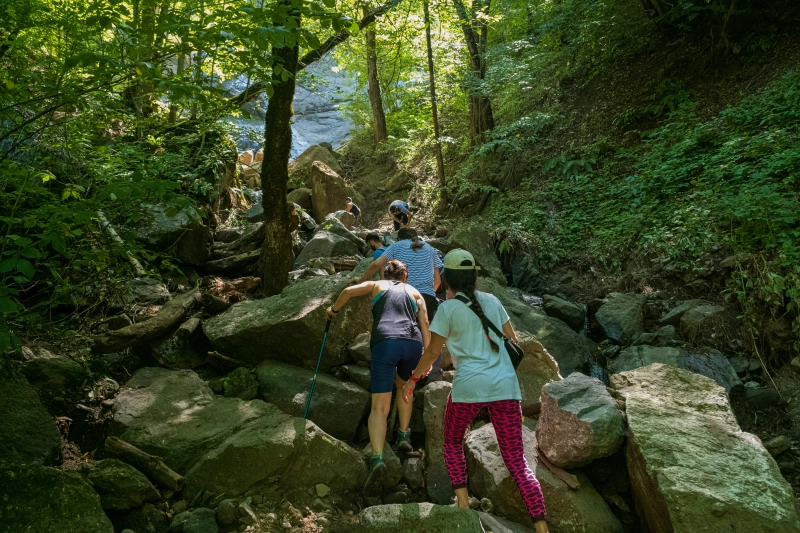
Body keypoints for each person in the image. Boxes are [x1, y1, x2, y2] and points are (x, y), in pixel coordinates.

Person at [401, 249, 549, 533]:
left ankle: (464, 508)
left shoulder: (447, 308)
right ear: (474, 277)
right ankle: (542, 528)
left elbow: (433, 351)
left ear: (446, 280)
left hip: (468, 388)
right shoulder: (492, 300)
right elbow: (512, 339)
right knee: (517, 463)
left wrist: (412, 380)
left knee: (452, 441)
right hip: (505, 387)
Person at [326, 260, 429, 492]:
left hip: (386, 342)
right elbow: (425, 323)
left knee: (379, 406)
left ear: (385, 274)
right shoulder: (414, 292)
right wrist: (427, 356)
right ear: (405, 276)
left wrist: (333, 310)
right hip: (412, 344)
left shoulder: (377, 285)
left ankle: (378, 457)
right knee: (406, 389)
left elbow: (348, 291)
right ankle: (404, 435)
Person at [359, 227, 443, 381]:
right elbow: (437, 281)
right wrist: (426, 295)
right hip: (428, 298)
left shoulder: (397, 246)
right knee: (430, 336)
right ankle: (434, 379)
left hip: (404, 295)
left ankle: (405, 376)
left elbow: (376, 265)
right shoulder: (430, 248)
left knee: (407, 333)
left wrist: (361, 280)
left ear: (400, 238)